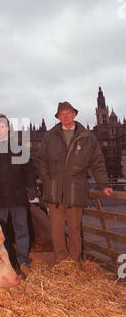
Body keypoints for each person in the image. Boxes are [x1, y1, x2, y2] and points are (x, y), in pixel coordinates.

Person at [38, 101, 112, 263]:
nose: (65, 116)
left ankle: (75, 261)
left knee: (74, 229)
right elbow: (41, 160)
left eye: (68, 113)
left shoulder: (87, 137)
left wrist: (104, 185)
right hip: (55, 189)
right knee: (56, 230)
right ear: (58, 117)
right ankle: (62, 261)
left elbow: (97, 162)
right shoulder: (50, 136)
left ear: (74, 114)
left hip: (75, 189)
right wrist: (47, 180)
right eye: (62, 114)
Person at [0, 113, 38, 275]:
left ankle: (23, 262)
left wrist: (32, 187)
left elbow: (29, 170)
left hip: (18, 196)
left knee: (22, 230)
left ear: (8, 128)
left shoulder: (19, 147)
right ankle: (3, 263)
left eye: (2, 127)